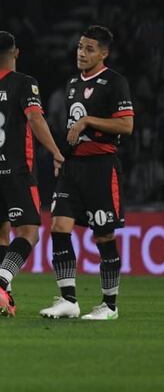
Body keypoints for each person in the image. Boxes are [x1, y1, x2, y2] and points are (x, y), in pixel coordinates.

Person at [0, 31, 65, 317]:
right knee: (30, 232)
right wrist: (56, 151)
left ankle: (6, 300)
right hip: (17, 171)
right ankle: (1, 282)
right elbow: (34, 117)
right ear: (16, 52)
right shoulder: (24, 83)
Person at [40, 25, 134, 320]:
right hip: (73, 167)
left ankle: (109, 305)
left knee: (103, 236)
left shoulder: (115, 83)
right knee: (59, 226)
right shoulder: (71, 85)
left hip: (101, 168)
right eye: (80, 47)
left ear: (104, 53)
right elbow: (72, 132)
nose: (81, 53)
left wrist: (87, 122)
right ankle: (69, 299)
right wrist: (61, 156)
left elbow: (126, 126)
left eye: (89, 48)